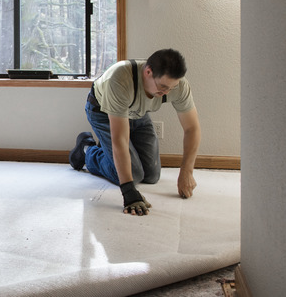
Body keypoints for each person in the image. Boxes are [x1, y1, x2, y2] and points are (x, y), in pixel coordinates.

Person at [69, 49, 201, 216]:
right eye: (163, 87)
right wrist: (128, 191)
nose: (167, 93)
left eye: (172, 88)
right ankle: (87, 149)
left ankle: (107, 151)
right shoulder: (120, 79)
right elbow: (120, 140)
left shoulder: (179, 86)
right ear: (148, 72)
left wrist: (186, 171)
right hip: (103, 113)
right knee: (134, 174)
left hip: (138, 113)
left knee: (152, 175)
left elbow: (192, 129)